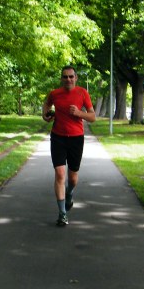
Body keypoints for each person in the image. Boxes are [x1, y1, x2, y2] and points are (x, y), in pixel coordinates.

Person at [42, 65, 96, 226]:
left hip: (76, 138)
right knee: (60, 174)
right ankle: (62, 214)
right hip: (58, 137)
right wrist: (45, 115)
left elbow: (92, 117)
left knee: (72, 178)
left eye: (71, 76)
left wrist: (79, 113)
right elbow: (46, 104)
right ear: (61, 78)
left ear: (76, 78)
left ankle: (70, 193)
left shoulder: (82, 93)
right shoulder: (54, 94)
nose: (68, 79)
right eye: (65, 77)